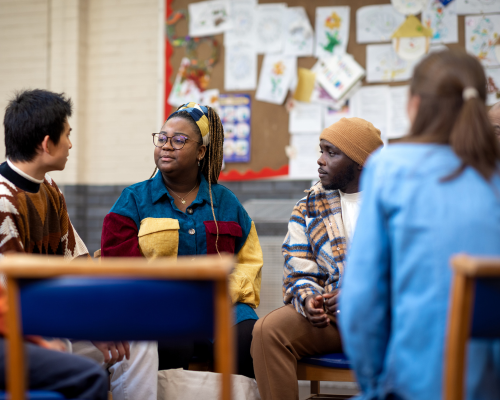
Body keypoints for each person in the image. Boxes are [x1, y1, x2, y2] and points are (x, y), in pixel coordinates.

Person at [340, 49, 500, 400]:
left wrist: (375, 385)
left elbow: (360, 304)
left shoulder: (390, 168)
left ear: (414, 104)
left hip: (414, 384)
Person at [100, 102, 263, 379]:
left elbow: (249, 263)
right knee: (169, 342)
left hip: (224, 308)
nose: (166, 146)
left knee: (249, 340)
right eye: (162, 138)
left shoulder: (226, 203)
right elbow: (118, 265)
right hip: (160, 309)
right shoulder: (133, 200)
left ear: (201, 151)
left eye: (179, 140)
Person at [251, 118, 383, 400]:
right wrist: (309, 299)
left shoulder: (392, 201)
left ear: (360, 162)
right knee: (267, 331)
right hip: (332, 321)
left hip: (386, 318)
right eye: (321, 150)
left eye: (331, 153)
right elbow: (299, 269)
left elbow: (410, 274)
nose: (320, 161)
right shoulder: (309, 205)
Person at [0, 89, 108, 399]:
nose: (71, 144)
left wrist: (102, 318)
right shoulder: (3, 201)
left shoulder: (48, 187)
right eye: (67, 135)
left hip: (55, 317)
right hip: (23, 330)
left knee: (139, 340)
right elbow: (11, 301)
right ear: (47, 144)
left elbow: (77, 261)